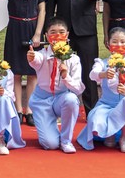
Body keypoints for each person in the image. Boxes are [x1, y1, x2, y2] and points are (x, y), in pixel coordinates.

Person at [45, 0, 103, 112]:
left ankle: (91, 110)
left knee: (88, 72)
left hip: (86, 31)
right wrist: (47, 31)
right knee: (60, 70)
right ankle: (61, 108)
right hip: (62, 33)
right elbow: (50, 6)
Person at [76, 26, 125, 152]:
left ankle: (124, 138)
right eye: (114, 42)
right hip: (106, 105)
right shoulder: (102, 63)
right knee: (96, 121)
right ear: (108, 44)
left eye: (122, 42)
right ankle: (109, 135)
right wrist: (103, 74)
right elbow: (92, 75)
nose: (118, 45)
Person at [0, 0, 46, 126]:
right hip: (15, 28)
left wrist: (37, 33)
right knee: (16, 72)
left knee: (32, 72)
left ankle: (30, 109)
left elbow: (42, 9)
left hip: (32, 27)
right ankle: (18, 108)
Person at [26, 18, 84, 153]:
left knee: (71, 99)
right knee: (50, 144)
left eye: (61, 32)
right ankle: (47, 126)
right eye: (53, 32)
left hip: (61, 99)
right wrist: (32, 57)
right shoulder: (42, 55)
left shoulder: (73, 59)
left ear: (67, 35)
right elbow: (36, 60)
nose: (57, 36)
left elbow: (78, 88)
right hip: (42, 101)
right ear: (46, 35)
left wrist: (66, 76)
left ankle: (66, 140)